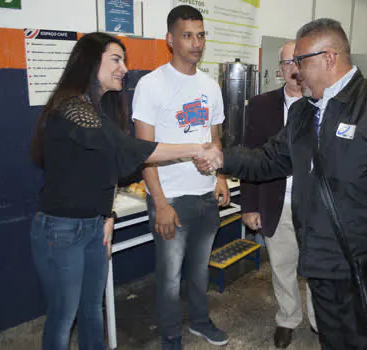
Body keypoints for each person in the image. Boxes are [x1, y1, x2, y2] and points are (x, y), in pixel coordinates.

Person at [196, 18, 367, 350]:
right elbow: (270, 159)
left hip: (366, 263)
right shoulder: (304, 114)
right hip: (320, 261)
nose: (295, 71)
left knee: (366, 342)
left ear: (329, 58)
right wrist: (223, 158)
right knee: (332, 340)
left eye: (300, 61)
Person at [29, 32, 222, 350]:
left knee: (92, 309)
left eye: (125, 61)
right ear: (91, 62)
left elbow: (102, 171)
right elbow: (128, 149)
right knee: (64, 316)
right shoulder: (72, 109)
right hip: (61, 228)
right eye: (116, 60)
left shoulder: (95, 109)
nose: (124, 68)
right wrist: (195, 148)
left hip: (93, 225)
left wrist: (107, 214)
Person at [132, 5, 229, 350]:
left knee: (200, 270)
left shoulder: (210, 86)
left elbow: (215, 137)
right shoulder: (151, 85)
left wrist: (218, 177)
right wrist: (159, 202)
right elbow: (143, 151)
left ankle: (201, 322)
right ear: (170, 40)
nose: (196, 43)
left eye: (201, 35)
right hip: (170, 197)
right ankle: (171, 335)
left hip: (205, 194)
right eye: (187, 35)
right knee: (170, 278)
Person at [240, 40, 317, 349]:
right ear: (280, 69)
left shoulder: (324, 103)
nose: (293, 70)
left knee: (318, 269)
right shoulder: (261, 105)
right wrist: (249, 205)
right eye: (287, 63)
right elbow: (250, 158)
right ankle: (288, 318)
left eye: (298, 62)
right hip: (277, 202)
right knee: (282, 266)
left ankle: (319, 321)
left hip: (316, 207)